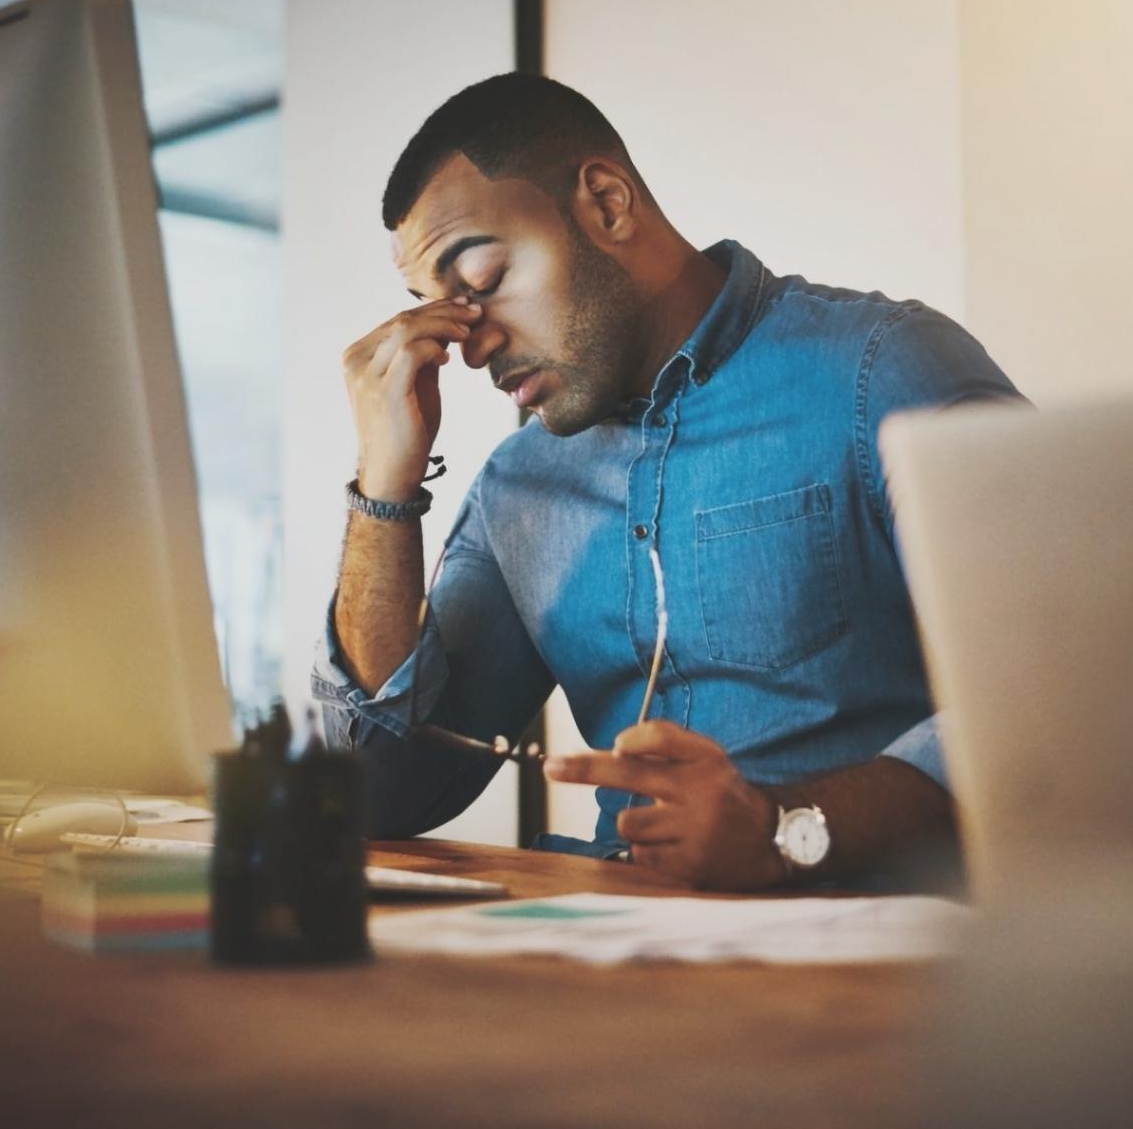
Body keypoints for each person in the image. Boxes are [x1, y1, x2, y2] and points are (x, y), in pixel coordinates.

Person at [311, 73, 1023, 889]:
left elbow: (1062, 694)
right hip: (616, 950)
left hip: (862, 959)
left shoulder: (884, 372)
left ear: (607, 204)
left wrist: (782, 828)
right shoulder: (521, 486)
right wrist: (384, 486)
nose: (470, 346)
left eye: (480, 283)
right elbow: (380, 794)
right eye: (438, 310)